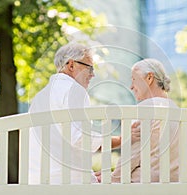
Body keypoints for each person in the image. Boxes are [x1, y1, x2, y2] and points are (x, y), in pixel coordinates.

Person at [28, 42, 122, 184]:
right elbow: (80, 139)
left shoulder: (40, 97)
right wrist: (122, 140)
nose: (93, 74)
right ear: (71, 65)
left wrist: (88, 175)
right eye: (89, 68)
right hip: (67, 182)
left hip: (37, 181)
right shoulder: (75, 90)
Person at [101, 58, 180, 183]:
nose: (131, 86)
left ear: (149, 78)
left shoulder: (144, 109)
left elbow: (132, 155)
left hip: (146, 183)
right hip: (176, 182)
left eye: (134, 80)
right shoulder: (174, 108)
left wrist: (112, 178)